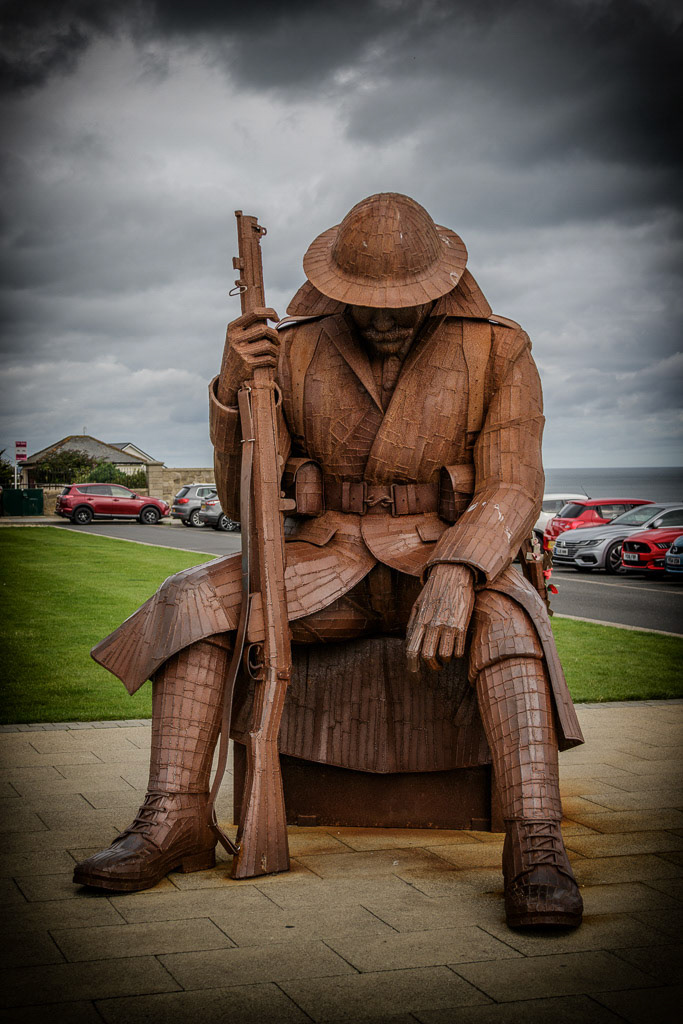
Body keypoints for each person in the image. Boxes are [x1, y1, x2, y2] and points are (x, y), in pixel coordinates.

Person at [74, 193, 584, 929]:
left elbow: (512, 483)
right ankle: (174, 817)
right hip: (327, 560)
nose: (383, 319)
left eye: (400, 304)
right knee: (189, 599)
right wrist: (230, 392)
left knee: (508, 621)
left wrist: (459, 568)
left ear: (438, 284)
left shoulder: (499, 347)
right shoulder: (293, 342)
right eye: (365, 303)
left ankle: (536, 843)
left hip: (437, 559)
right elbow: (246, 502)